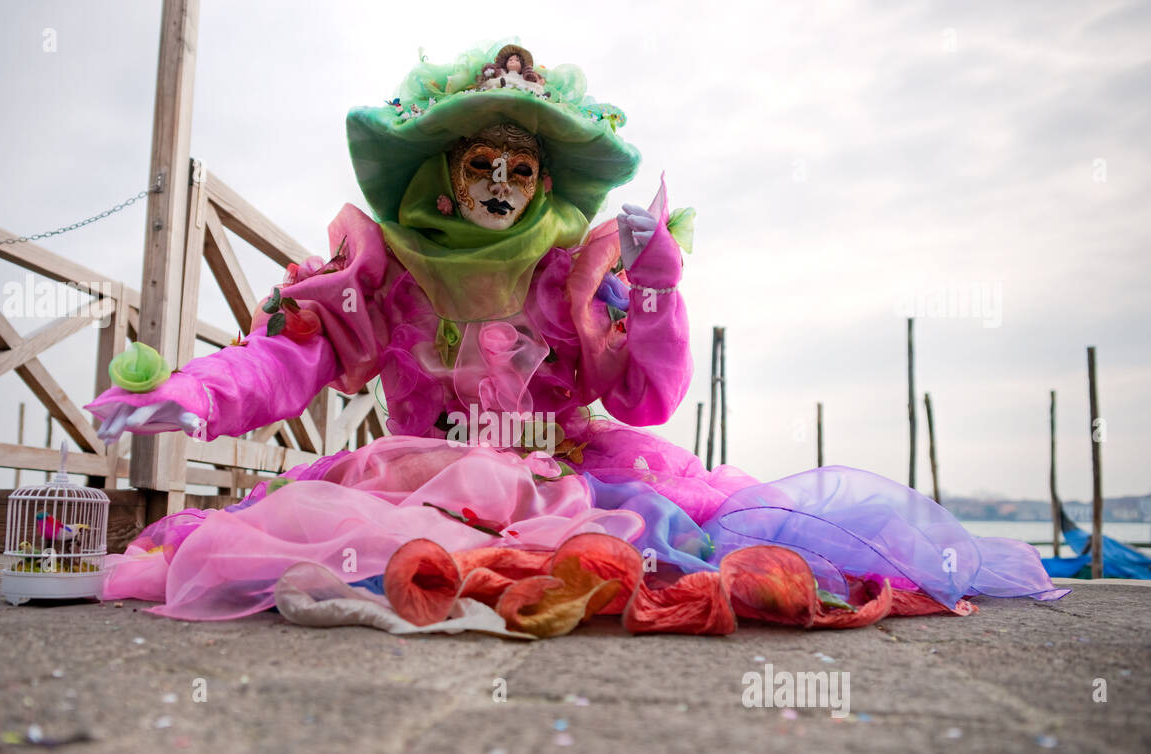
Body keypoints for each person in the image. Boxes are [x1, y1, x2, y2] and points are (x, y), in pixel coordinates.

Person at [85, 40, 1067, 631]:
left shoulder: (578, 272)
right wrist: (199, 392)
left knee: (694, 551)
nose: (501, 187)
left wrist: (653, 288)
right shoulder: (384, 270)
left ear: (543, 181)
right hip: (425, 473)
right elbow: (294, 352)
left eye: (519, 168)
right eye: (483, 165)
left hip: (573, 470)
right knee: (355, 548)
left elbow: (645, 398)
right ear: (447, 174)